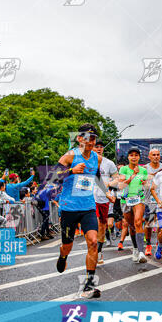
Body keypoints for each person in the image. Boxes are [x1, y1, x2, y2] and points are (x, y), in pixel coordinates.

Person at [54, 123, 108, 299]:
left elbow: (96, 176)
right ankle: (63, 256)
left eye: (93, 138)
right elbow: (52, 178)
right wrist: (70, 171)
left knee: (93, 242)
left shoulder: (97, 158)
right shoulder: (69, 156)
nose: (90, 141)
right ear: (79, 138)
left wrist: (107, 192)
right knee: (67, 246)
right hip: (69, 208)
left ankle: (89, 285)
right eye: (86, 137)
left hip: (88, 207)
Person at [119, 147, 149, 263]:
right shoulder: (124, 170)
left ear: (139, 157)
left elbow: (146, 186)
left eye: (136, 155)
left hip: (139, 199)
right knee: (131, 227)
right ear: (128, 157)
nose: (134, 157)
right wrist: (133, 175)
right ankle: (135, 248)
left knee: (138, 222)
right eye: (131, 155)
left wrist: (145, 184)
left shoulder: (143, 170)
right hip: (126, 200)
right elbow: (121, 185)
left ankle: (141, 252)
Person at [93, 140, 117, 264]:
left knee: (103, 226)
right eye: (96, 146)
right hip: (90, 198)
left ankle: (99, 251)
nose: (99, 149)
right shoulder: (86, 162)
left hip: (104, 199)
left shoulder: (109, 163)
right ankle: (93, 250)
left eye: (101, 147)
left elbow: (117, 178)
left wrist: (110, 184)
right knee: (95, 225)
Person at [143, 148, 162, 256]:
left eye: (158, 155)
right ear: (149, 156)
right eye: (154, 155)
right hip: (149, 199)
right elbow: (141, 183)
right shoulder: (145, 168)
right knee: (149, 223)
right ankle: (148, 244)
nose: (156, 156)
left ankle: (159, 244)